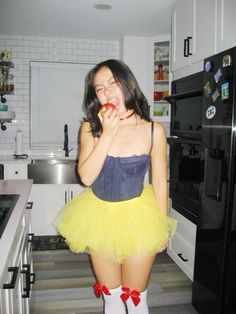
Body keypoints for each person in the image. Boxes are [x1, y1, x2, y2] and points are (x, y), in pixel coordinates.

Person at [55, 59, 177, 314]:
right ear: (96, 97)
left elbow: (159, 182)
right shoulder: (90, 128)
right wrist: (108, 133)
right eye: (99, 88)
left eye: (112, 82)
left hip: (139, 219)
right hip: (98, 217)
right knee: (111, 297)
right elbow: (86, 178)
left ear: (128, 83)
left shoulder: (153, 130)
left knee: (135, 298)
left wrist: (163, 226)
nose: (107, 91)